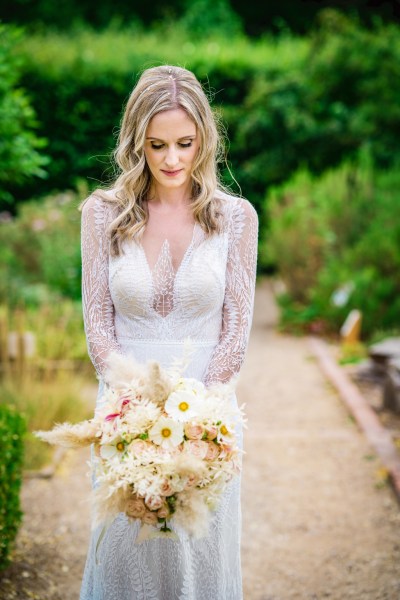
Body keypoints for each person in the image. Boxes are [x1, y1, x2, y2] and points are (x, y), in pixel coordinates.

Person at [79, 64, 258, 600]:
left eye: (185, 143)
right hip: (122, 416)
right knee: (123, 552)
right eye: (157, 145)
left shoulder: (237, 218)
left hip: (208, 416)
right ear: (138, 142)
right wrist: (135, 415)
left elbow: (236, 331)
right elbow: (97, 326)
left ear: (204, 137)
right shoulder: (101, 215)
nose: (173, 159)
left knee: (201, 557)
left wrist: (195, 421)